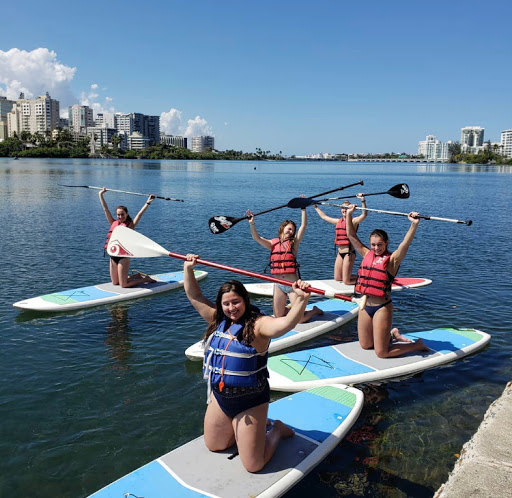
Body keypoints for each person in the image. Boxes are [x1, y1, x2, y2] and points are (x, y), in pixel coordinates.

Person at [183, 254, 312, 472]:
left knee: (254, 465)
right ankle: (238, 426)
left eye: (236, 302)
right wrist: (188, 269)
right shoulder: (218, 321)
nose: (231, 308)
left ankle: (277, 430)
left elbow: (284, 324)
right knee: (215, 445)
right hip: (222, 398)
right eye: (226, 303)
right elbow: (194, 295)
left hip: (251, 400)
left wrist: (300, 300)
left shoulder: (258, 326)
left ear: (245, 300)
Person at [345, 204, 429, 358]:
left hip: (382, 307)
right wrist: (349, 215)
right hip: (365, 305)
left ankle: (417, 344)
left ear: (386, 243)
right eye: (373, 245)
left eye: (380, 245)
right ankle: (392, 334)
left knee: (382, 353)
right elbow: (351, 235)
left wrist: (413, 225)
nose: (376, 248)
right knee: (365, 345)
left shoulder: (392, 261)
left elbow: (405, 245)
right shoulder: (366, 254)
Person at [246, 208, 323, 323]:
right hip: (278, 285)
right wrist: (252, 223)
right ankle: (291, 308)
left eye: (293, 230)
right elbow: (256, 238)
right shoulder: (273, 243)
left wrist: (303, 209)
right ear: (283, 228)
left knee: (300, 319)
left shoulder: (294, 244)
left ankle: (314, 311)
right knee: (278, 317)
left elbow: (304, 225)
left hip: (292, 286)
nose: (291, 231)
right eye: (289, 228)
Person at [99, 187, 156, 287]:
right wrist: (101, 194)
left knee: (123, 285)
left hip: (123, 257)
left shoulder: (130, 226)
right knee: (115, 283)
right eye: (118, 215)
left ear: (126, 214)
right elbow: (105, 209)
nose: (120, 217)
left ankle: (145, 279)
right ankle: (136, 276)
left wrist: (148, 202)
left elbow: (139, 214)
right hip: (113, 256)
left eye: (122, 214)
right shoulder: (113, 222)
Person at [313, 193, 367, 284]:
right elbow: (324, 217)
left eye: (346, 208)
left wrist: (362, 201)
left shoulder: (353, 221)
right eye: (343, 208)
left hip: (349, 253)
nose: (344, 210)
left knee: (346, 281)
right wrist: (315, 206)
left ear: (350, 209)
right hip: (340, 253)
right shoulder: (338, 221)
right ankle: (361, 276)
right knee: (338, 278)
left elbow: (364, 215)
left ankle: (367, 280)